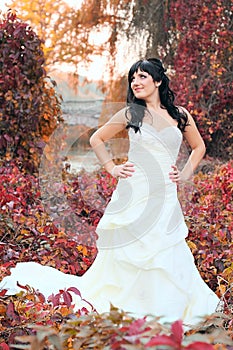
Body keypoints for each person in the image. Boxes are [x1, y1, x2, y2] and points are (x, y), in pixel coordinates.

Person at [0, 58, 219, 327]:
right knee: (129, 252)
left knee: (166, 249)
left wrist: (184, 174)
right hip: (134, 192)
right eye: (133, 78)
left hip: (165, 195)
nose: (136, 82)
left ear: (158, 81)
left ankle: (165, 305)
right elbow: (96, 138)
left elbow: (198, 148)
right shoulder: (131, 114)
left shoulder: (180, 115)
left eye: (142, 77)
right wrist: (112, 168)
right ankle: (129, 305)